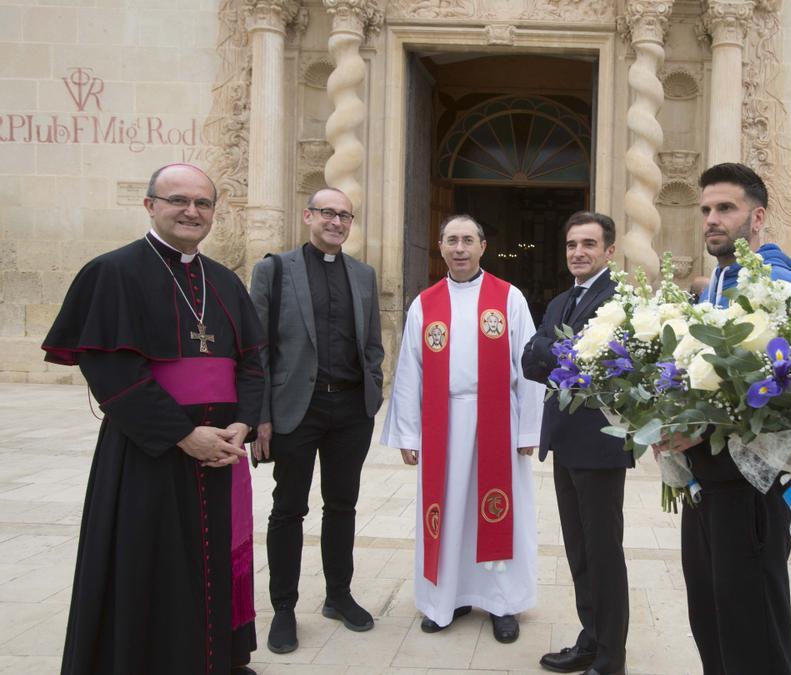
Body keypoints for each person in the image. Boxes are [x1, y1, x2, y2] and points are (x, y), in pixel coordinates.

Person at [42, 163, 265, 675]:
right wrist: (184, 435)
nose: (192, 211)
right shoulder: (114, 271)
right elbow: (111, 368)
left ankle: (216, 661)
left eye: (203, 203)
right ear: (150, 205)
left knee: (214, 562)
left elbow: (254, 360)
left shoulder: (224, 280)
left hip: (222, 451)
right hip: (149, 453)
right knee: (150, 565)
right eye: (178, 200)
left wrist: (244, 423)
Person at [656, 162, 791, 675]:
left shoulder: (774, 283)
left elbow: (775, 393)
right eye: (706, 210)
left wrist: (696, 422)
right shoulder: (719, 280)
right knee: (713, 618)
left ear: (757, 217)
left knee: (752, 630)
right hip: (708, 478)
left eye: (725, 208)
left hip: (751, 486)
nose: (712, 219)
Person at [381, 214, 544, 643]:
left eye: (467, 240)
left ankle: (502, 603)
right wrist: (409, 434)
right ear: (440, 247)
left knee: (498, 512)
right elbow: (408, 372)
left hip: (498, 423)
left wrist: (529, 430)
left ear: (483, 246)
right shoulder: (425, 303)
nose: (459, 248)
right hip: (444, 424)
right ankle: (445, 599)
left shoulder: (508, 298)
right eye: (451, 240)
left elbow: (528, 368)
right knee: (447, 512)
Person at [248, 188, 385, 653]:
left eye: (345, 215)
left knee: (342, 505)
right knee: (288, 508)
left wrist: (374, 385)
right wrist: (259, 417)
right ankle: (283, 608)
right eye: (328, 213)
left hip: (349, 410)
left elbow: (372, 343)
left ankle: (338, 595)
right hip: (295, 411)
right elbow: (257, 350)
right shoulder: (274, 271)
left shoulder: (363, 275)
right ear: (308, 216)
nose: (336, 222)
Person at [522, 212, 632, 675]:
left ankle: (611, 656)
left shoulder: (620, 301)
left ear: (609, 251)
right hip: (565, 442)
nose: (578, 253)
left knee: (603, 551)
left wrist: (559, 353)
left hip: (600, 444)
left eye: (589, 244)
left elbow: (603, 364)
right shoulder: (561, 301)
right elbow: (530, 358)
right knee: (579, 549)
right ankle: (590, 637)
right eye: (571, 245)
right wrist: (566, 353)